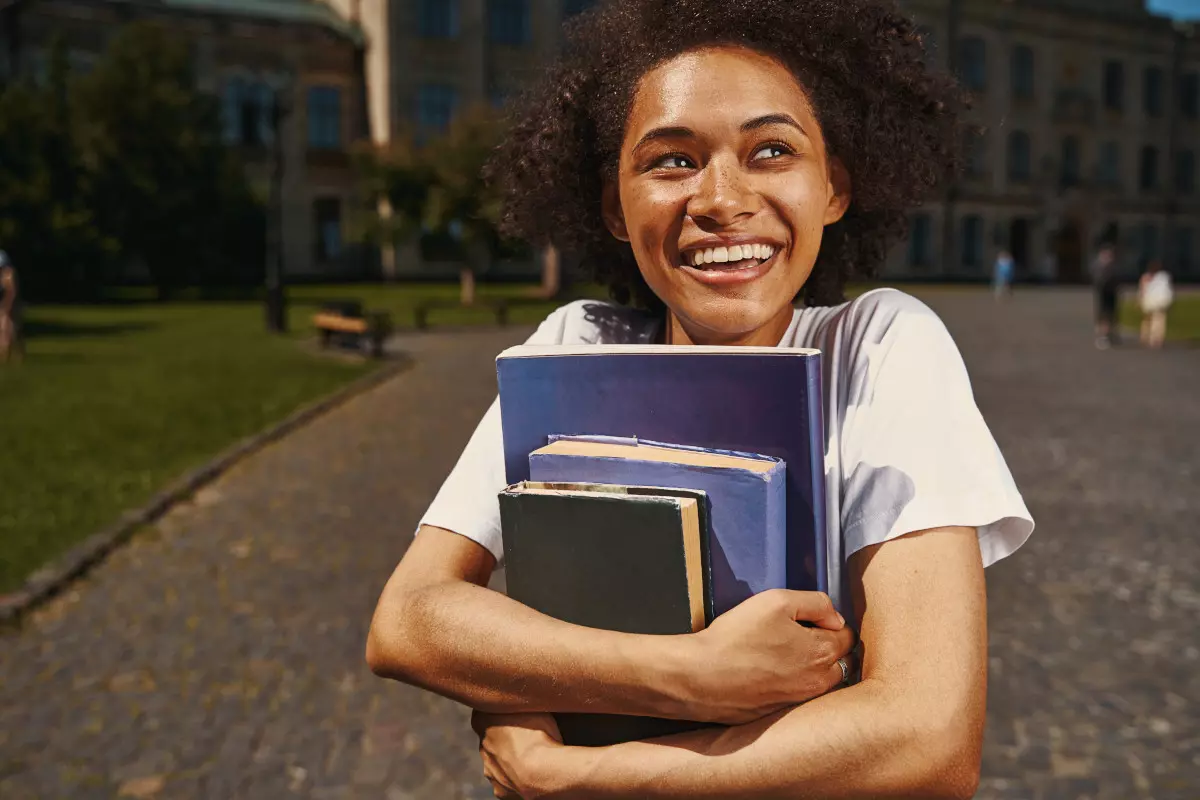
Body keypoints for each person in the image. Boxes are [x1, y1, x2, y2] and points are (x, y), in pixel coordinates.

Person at [366, 1, 1034, 797]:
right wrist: (690, 673)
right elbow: (407, 620)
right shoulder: (575, 348)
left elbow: (929, 741)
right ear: (615, 205)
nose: (721, 198)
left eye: (773, 150)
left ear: (834, 188)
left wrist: (578, 776)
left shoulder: (877, 346)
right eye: (671, 161)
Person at [1138, 260, 1173, 349]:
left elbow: (1142, 290)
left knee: (1149, 320)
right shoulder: (1163, 277)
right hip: (1158, 301)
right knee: (1158, 320)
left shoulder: (1147, 277)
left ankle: (1148, 337)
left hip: (1149, 301)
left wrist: (1140, 300)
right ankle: (1155, 338)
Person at [1091, 244, 1120, 349]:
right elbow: (1098, 280)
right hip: (1103, 293)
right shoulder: (1099, 266)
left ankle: (1111, 334)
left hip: (1111, 293)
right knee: (1104, 315)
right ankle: (1103, 336)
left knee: (1112, 315)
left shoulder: (1112, 266)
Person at [0, 250, 21, 364]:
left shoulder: (9, 275)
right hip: (6, 305)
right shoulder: (3, 275)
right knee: (4, 330)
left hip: (12, 306)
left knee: (8, 331)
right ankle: (7, 356)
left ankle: (8, 357)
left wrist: (6, 307)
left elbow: (12, 293)